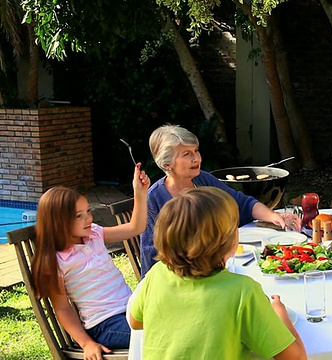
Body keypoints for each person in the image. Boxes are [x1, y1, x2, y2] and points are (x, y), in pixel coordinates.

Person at [129, 187, 307, 359]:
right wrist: (281, 316)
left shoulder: (157, 273)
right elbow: (297, 358)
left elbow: (135, 321)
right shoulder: (243, 291)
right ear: (229, 242)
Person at [140, 124, 300, 277]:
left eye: (196, 151)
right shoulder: (154, 198)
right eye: (187, 154)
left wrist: (274, 217)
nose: (196, 158)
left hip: (217, 266)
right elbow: (151, 253)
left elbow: (242, 203)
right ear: (167, 164)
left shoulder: (203, 179)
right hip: (181, 276)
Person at [31, 165, 150, 360]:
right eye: (79, 216)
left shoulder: (94, 233)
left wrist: (139, 192)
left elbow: (136, 227)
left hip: (132, 308)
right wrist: (86, 343)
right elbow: (62, 308)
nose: (88, 218)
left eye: (88, 211)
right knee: (163, 333)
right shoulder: (54, 262)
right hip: (105, 324)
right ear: (57, 221)